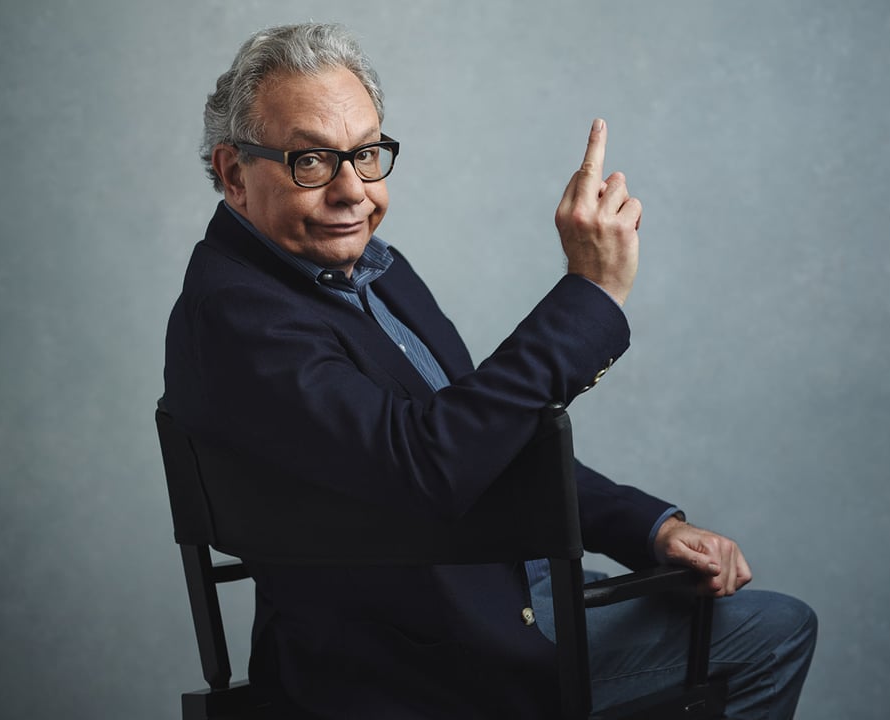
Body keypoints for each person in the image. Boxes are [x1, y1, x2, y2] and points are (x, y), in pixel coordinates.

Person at [164, 22, 816, 719]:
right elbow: (429, 462)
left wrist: (648, 527)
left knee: (766, 621)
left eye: (367, 155)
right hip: (422, 659)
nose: (353, 192)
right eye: (312, 161)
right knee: (773, 634)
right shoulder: (236, 317)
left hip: (503, 591)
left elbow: (485, 442)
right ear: (235, 173)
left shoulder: (371, 270)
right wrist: (590, 293)